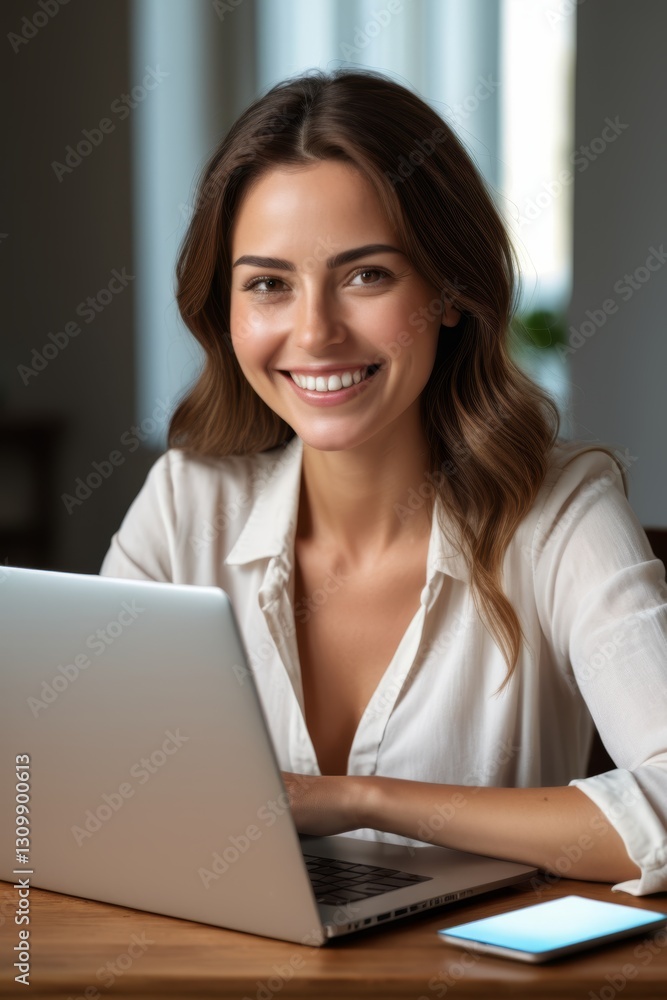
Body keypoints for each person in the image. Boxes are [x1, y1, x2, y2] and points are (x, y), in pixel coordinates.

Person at [100, 67, 667, 896]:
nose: (314, 333)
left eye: (366, 275)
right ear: (225, 309)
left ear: (449, 290)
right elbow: (74, 789)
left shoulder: (561, 513)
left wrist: (357, 800)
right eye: (268, 284)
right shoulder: (186, 505)